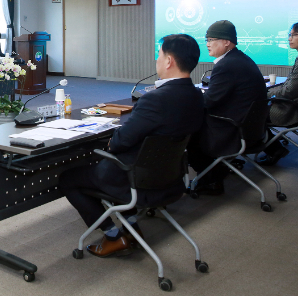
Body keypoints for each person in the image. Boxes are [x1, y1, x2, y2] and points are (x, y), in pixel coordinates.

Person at [58, 34, 204, 257]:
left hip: (135, 178)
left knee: (69, 178)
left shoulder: (155, 99)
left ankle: (113, 236)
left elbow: (119, 143)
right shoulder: (195, 94)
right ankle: (132, 226)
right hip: (169, 175)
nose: (157, 59)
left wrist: (113, 138)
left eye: (159, 54)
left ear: (169, 61)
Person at [187, 20, 267, 194]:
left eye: (211, 39)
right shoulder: (240, 59)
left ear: (226, 42)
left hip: (233, 130)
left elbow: (209, 102)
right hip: (252, 130)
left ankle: (212, 180)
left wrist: (188, 98)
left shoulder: (226, 65)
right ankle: (218, 170)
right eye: (206, 39)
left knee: (188, 131)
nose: (207, 44)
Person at [258, 22, 298, 165]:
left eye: (294, 35)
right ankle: (273, 146)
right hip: (296, 106)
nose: (289, 38)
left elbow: (289, 91)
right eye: (289, 35)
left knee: (251, 113)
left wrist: (266, 92)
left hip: (291, 110)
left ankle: (274, 149)